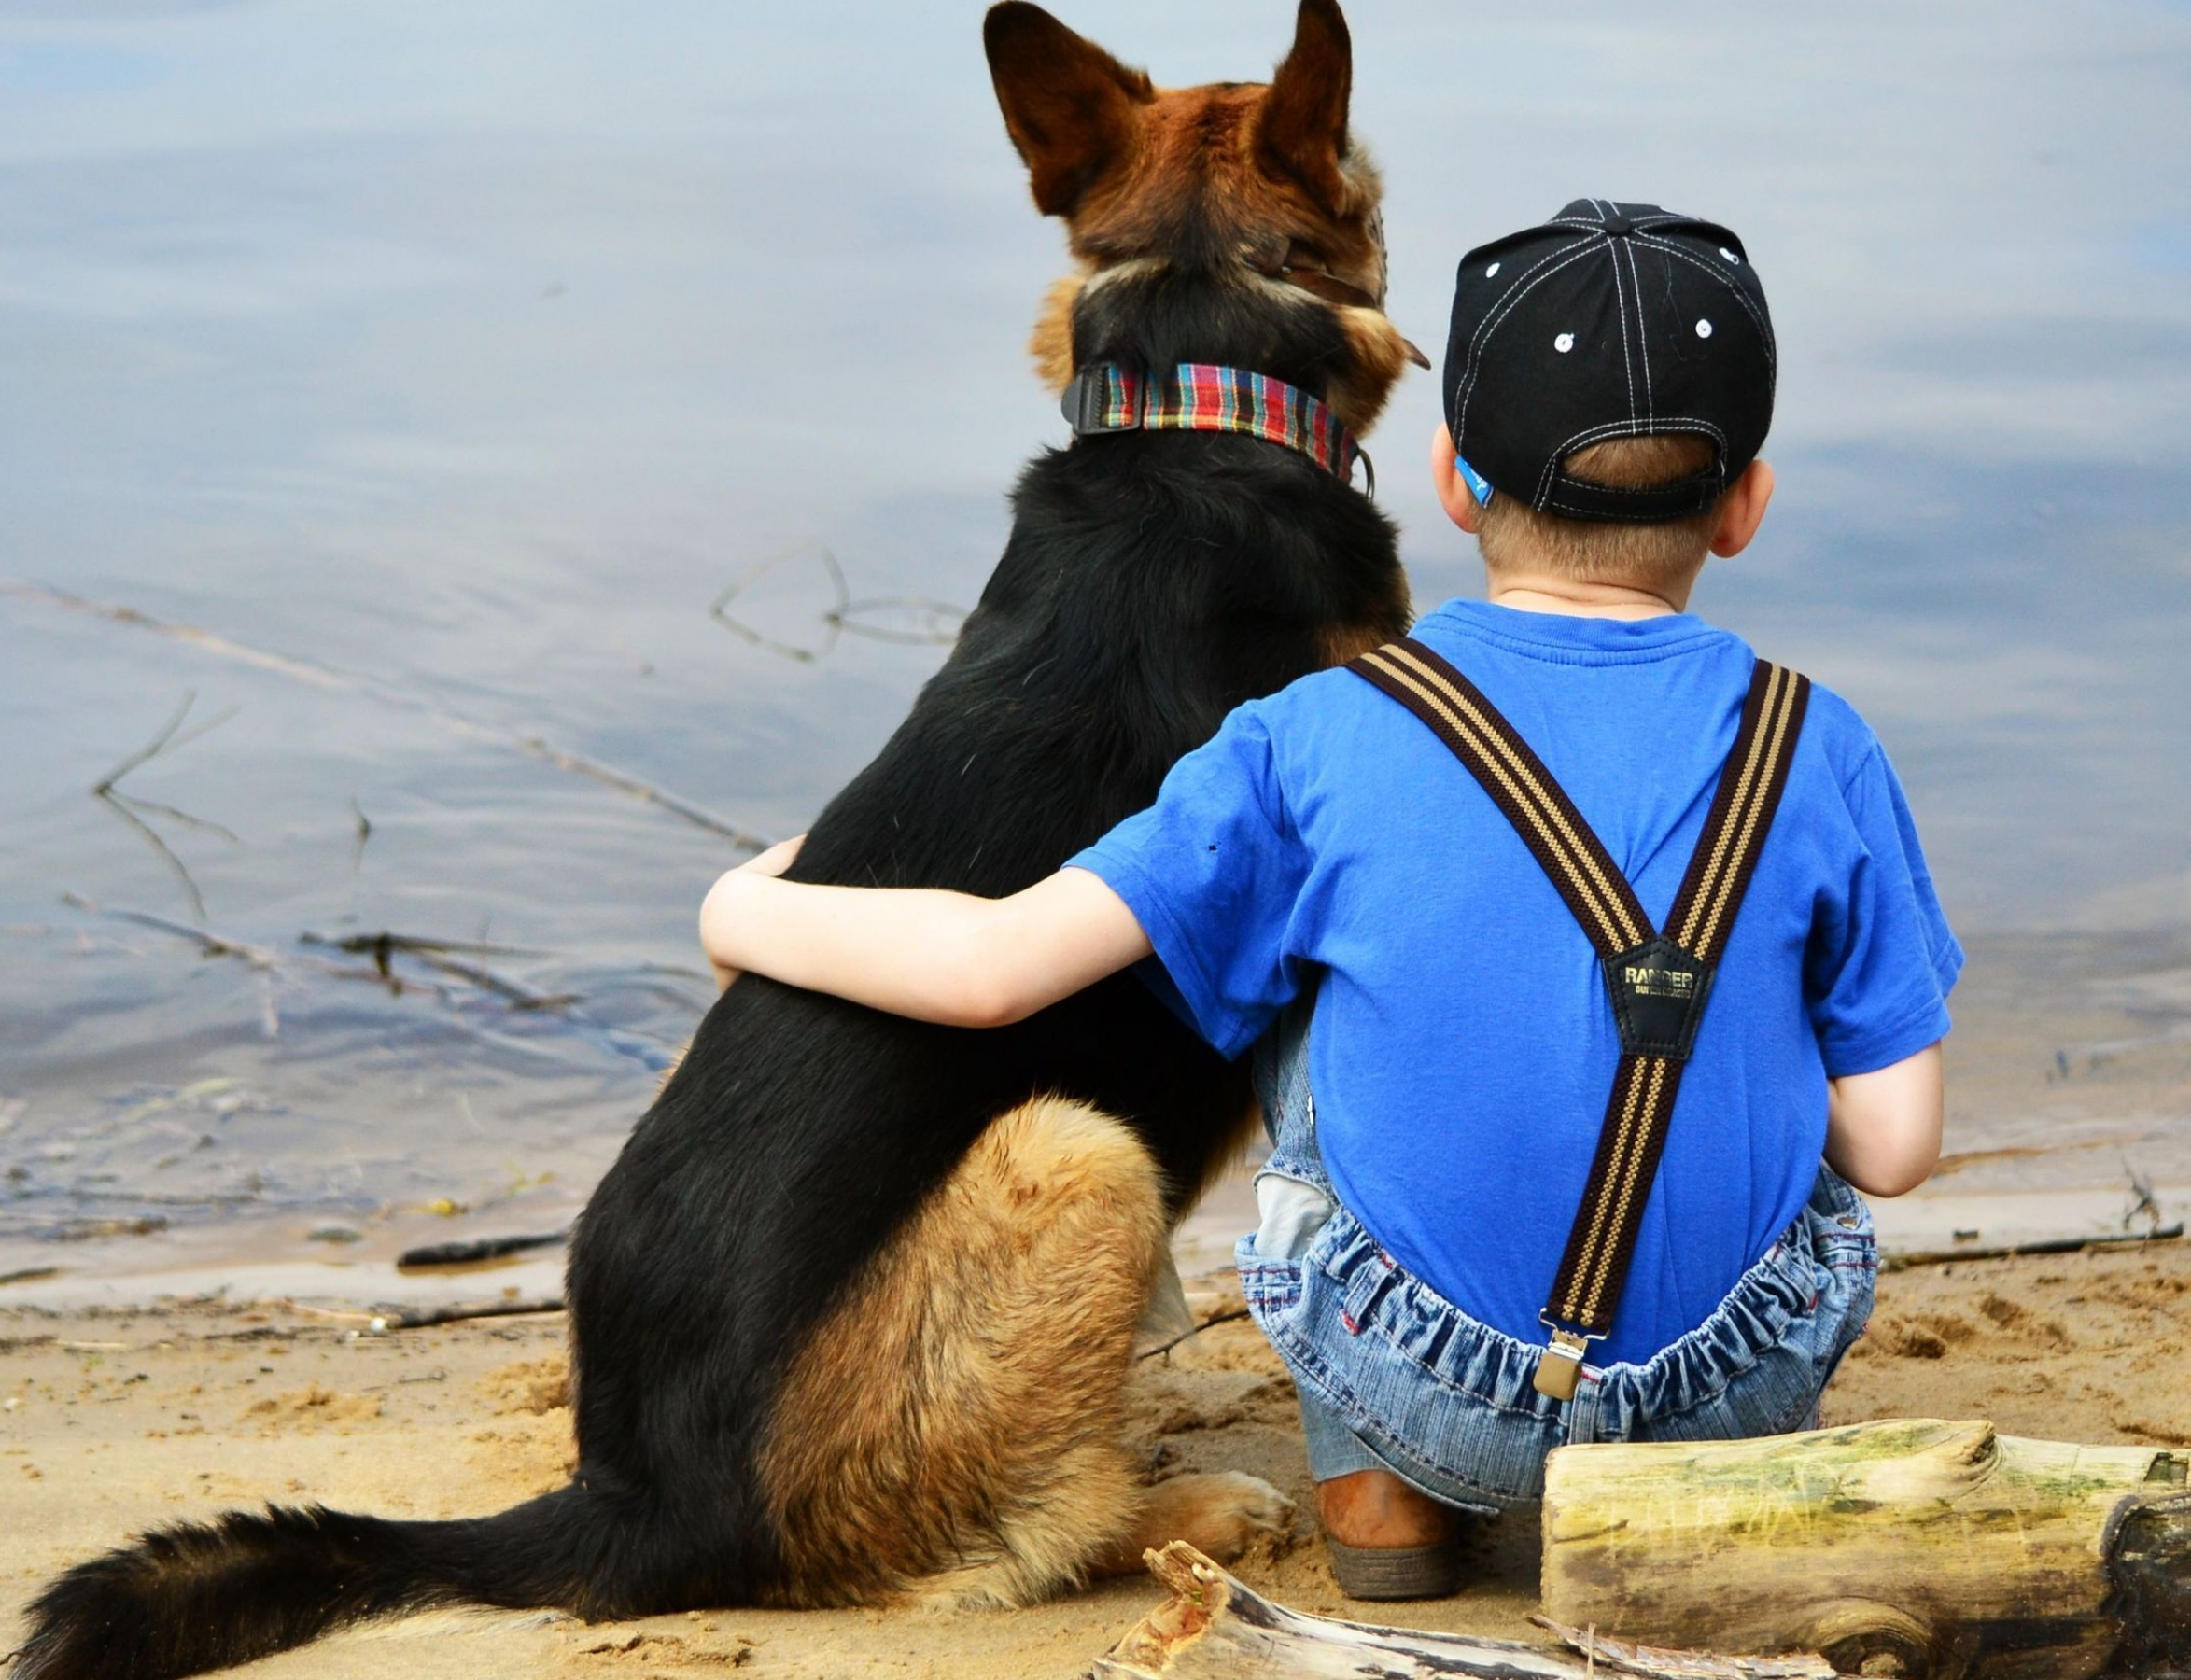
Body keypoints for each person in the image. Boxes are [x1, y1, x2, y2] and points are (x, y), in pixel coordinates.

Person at [698, 201, 1959, 1601]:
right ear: (1745, 507)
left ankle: (1387, 1508)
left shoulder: (1311, 732)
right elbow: (1898, 1149)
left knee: (1281, 951)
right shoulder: (1819, 741)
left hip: (1423, 1381)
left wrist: (740, 910)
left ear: (1451, 479)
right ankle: (1663, 1462)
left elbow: (994, 969)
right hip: (1726, 1406)